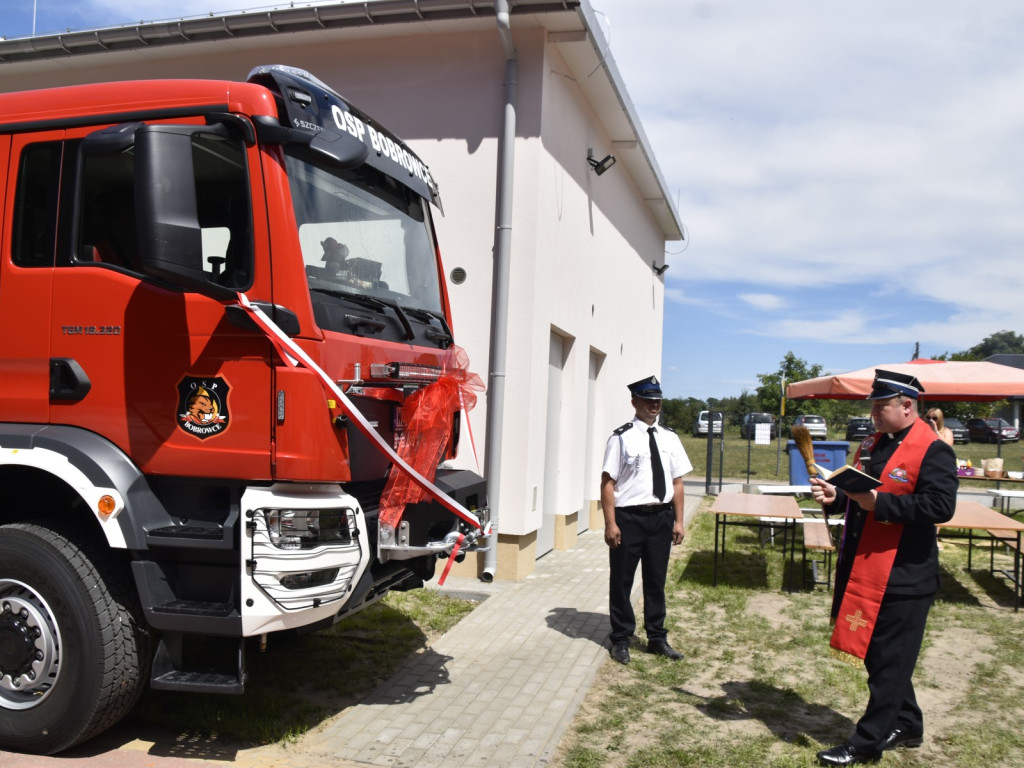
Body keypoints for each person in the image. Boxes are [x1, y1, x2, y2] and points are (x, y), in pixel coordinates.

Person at [810, 369, 957, 767]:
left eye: (881, 405)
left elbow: (941, 507)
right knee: (881, 657)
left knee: (890, 659)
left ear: (907, 406)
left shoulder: (933, 450)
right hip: (865, 567)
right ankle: (907, 723)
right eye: (873, 405)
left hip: (905, 575)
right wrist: (835, 495)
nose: (873, 412)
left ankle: (866, 742)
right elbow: (860, 494)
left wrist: (882, 505)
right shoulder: (874, 444)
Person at [600, 375, 692, 664]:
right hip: (629, 519)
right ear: (634, 402)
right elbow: (607, 483)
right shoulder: (621, 437)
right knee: (622, 581)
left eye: (658, 401)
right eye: (649, 400)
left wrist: (679, 520)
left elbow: (677, 482)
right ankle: (621, 639)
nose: (654, 406)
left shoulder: (670, 437)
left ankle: (657, 637)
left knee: (656, 581)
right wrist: (610, 523)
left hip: (661, 518)